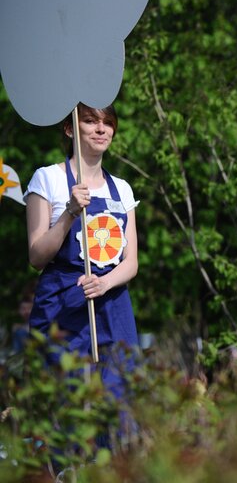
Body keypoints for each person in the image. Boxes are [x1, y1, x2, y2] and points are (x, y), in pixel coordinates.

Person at [25, 104, 139, 402]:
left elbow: (132, 262)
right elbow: (37, 257)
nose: (101, 129)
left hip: (112, 303)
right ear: (70, 128)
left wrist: (104, 283)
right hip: (63, 303)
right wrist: (70, 213)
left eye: (108, 123)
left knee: (118, 403)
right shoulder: (47, 178)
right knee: (65, 402)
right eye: (90, 121)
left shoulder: (123, 189)